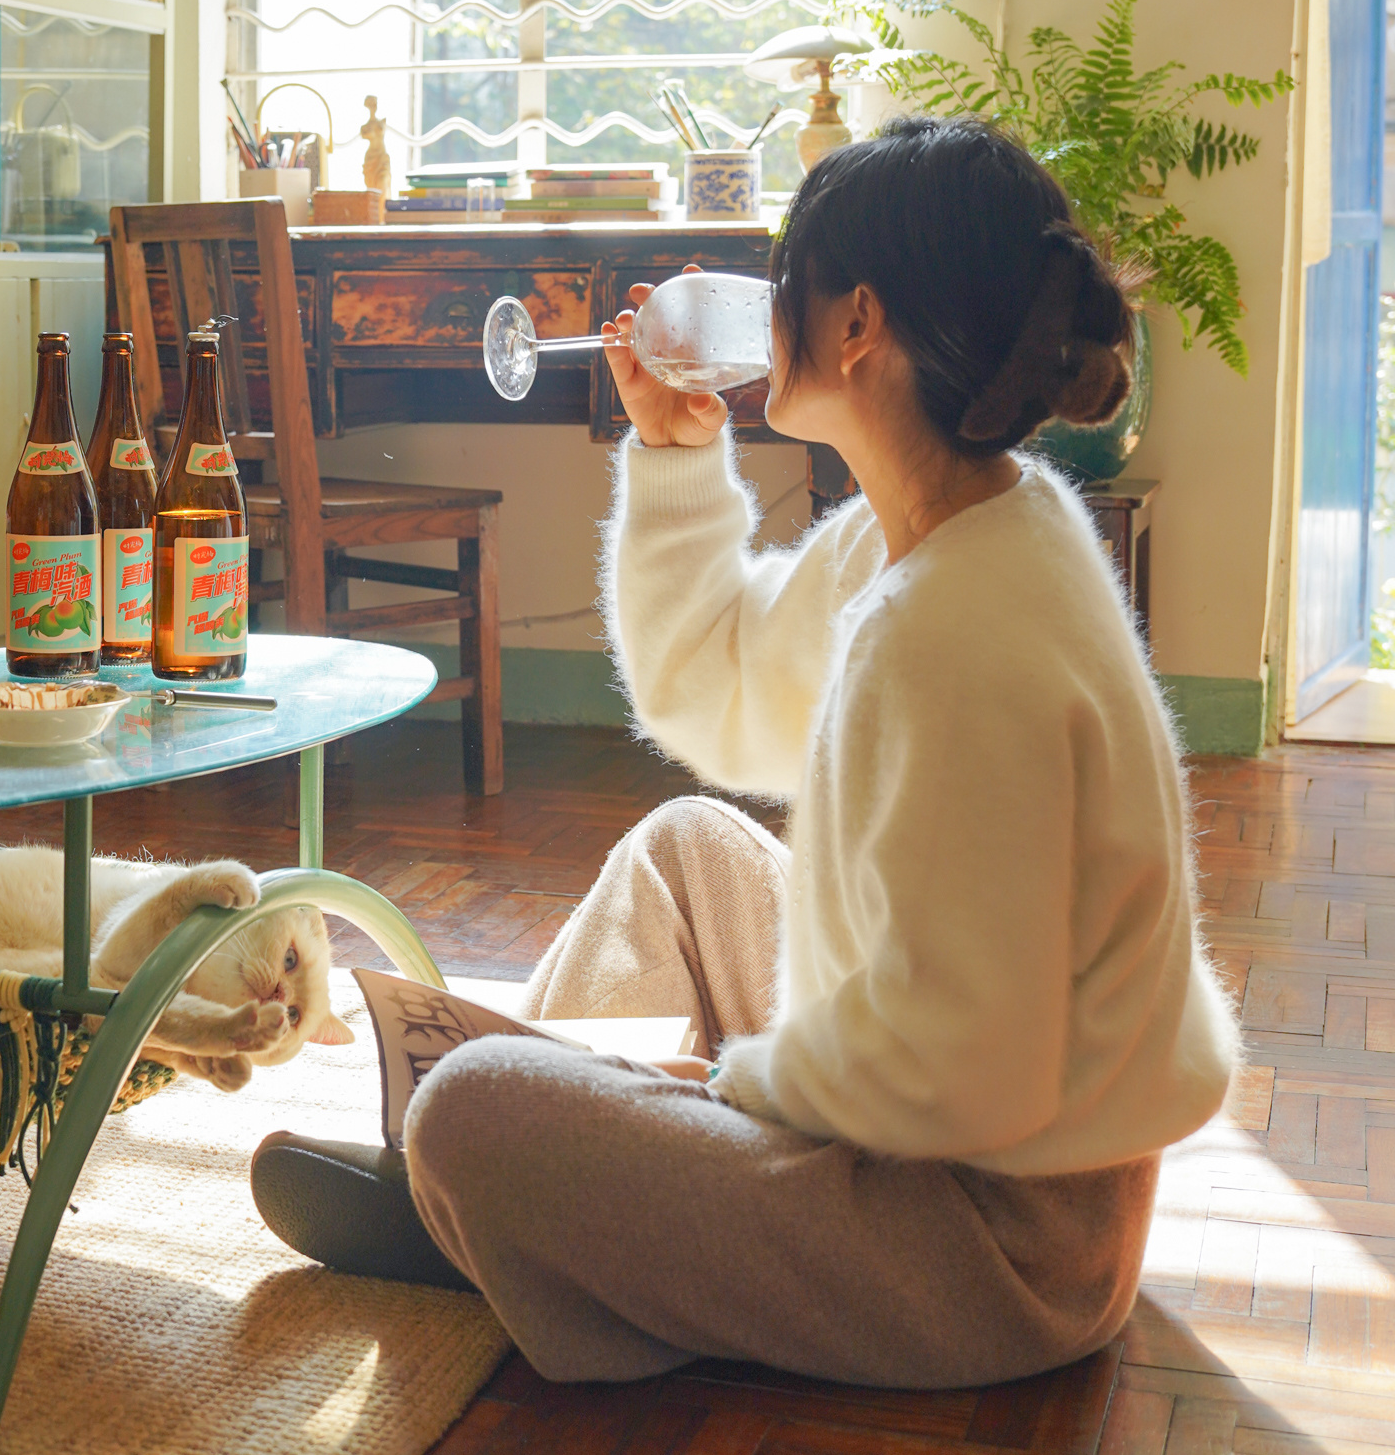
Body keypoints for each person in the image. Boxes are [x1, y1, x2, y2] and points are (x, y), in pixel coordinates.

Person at [251, 115, 1238, 1388]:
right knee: (681, 852)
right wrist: (673, 455)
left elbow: (967, 1072)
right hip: (942, 1126)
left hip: (990, 1247)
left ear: (855, 322)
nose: (762, 313)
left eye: (785, 280)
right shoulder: (942, 529)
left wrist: (721, 1090)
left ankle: (496, 1190)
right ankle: (508, 1197)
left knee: (473, 1109)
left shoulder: (957, 633)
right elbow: (712, 691)